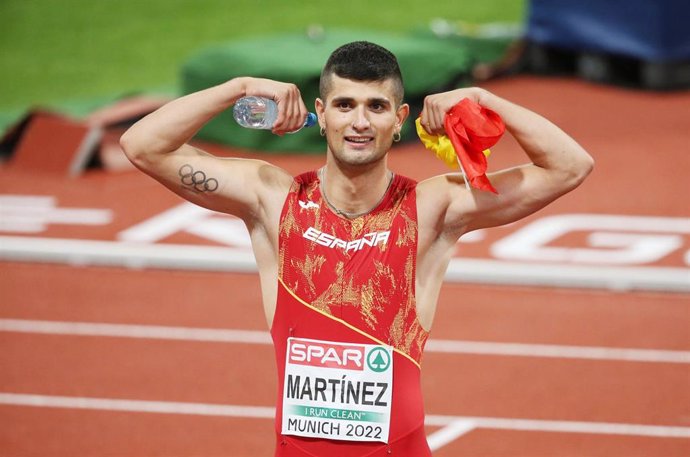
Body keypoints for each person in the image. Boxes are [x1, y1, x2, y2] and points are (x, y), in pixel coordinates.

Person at [120, 41, 593, 456]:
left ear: (399, 120)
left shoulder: (431, 209)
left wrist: (484, 99)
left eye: (376, 106)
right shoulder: (273, 200)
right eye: (344, 105)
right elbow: (143, 146)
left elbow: (570, 167)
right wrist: (239, 87)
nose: (360, 122)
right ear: (321, 114)